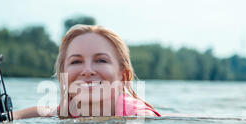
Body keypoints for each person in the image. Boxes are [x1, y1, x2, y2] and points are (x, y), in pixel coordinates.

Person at [13, 25, 161, 119]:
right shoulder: (71, 110)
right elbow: (41, 112)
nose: (87, 71)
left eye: (101, 60)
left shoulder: (137, 115)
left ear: (123, 76)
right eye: (76, 61)